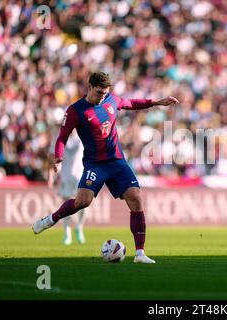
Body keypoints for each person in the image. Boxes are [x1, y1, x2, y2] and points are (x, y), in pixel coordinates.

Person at [33, 72, 179, 263]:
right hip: (95, 164)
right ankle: (51, 219)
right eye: (100, 92)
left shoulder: (111, 100)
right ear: (90, 86)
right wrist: (58, 155)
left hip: (117, 162)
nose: (103, 96)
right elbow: (63, 135)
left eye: (105, 92)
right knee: (82, 202)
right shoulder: (76, 110)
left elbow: (132, 103)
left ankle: (140, 253)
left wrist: (157, 102)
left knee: (135, 197)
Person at [48, 130, 86, 245]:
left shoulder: (82, 136)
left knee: (84, 204)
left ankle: (79, 226)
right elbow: (51, 157)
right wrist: (51, 176)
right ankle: (67, 233)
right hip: (65, 176)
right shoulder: (59, 138)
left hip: (80, 176)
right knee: (65, 206)